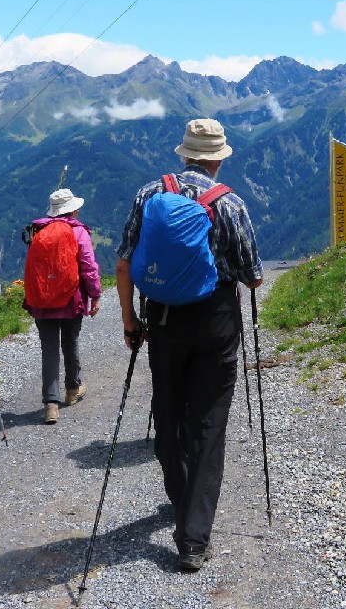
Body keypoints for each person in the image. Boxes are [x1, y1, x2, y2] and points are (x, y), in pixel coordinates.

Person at [115, 118, 263, 572]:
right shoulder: (230, 204)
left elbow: (123, 262)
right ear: (218, 159)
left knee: (170, 411)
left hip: (162, 318)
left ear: (184, 155)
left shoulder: (149, 194)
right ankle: (193, 537)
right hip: (215, 321)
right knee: (208, 423)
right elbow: (254, 275)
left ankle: (182, 499)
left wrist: (130, 320)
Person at [24, 188, 102, 425]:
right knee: (70, 343)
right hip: (71, 298)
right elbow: (88, 267)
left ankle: (50, 404)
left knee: (49, 350)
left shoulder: (40, 230)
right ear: (73, 209)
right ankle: (72, 389)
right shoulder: (78, 232)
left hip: (43, 300)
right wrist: (96, 294)